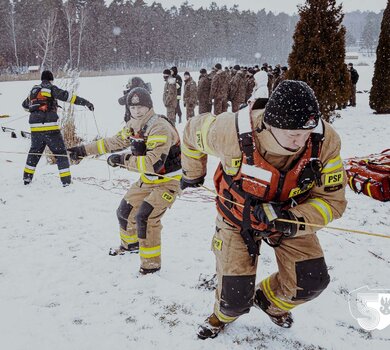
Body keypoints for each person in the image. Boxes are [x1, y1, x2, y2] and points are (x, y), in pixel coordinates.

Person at [180, 80, 347, 339]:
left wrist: (291, 220)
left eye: (305, 132)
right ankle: (222, 316)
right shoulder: (230, 131)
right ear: (268, 125)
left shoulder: (325, 142)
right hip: (236, 218)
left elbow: (332, 202)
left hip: (289, 218)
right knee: (234, 299)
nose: (300, 140)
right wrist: (193, 173)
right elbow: (191, 131)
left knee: (311, 281)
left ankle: (268, 301)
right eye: (292, 133)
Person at [68, 87, 181, 275]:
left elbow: (152, 163)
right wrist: (82, 150)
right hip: (148, 180)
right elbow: (112, 142)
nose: (136, 111)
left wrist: (122, 160)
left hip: (168, 181)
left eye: (141, 107)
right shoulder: (133, 125)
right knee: (125, 211)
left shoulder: (159, 127)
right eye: (133, 107)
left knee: (146, 216)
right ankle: (131, 245)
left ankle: (151, 266)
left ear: (149, 107)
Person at [22, 70, 94, 187]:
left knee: (34, 153)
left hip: (35, 129)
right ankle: (66, 182)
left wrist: (38, 110)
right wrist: (86, 102)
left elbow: (25, 106)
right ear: (51, 80)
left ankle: (27, 179)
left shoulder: (34, 90)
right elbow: (68, 97)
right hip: (50, 129)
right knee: (61, 154)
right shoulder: (49, 88)